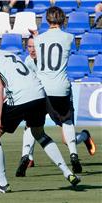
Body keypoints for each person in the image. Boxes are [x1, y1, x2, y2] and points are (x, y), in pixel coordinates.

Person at [0, 26, 80, 193]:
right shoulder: (9, 54)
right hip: (39, 94)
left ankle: (3, 185)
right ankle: (67, 172)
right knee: (38, 133)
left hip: (20, 98)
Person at [17, 7, 95, 177]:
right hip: (61, 87)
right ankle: (73, 154)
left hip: (42, 87)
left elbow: (41, 49)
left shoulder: (38, 40)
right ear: (63, 20)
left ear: (47, 20)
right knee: (66, 121)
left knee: (32, 123)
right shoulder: (69, 38)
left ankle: (25, 156)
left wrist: (37, 35)